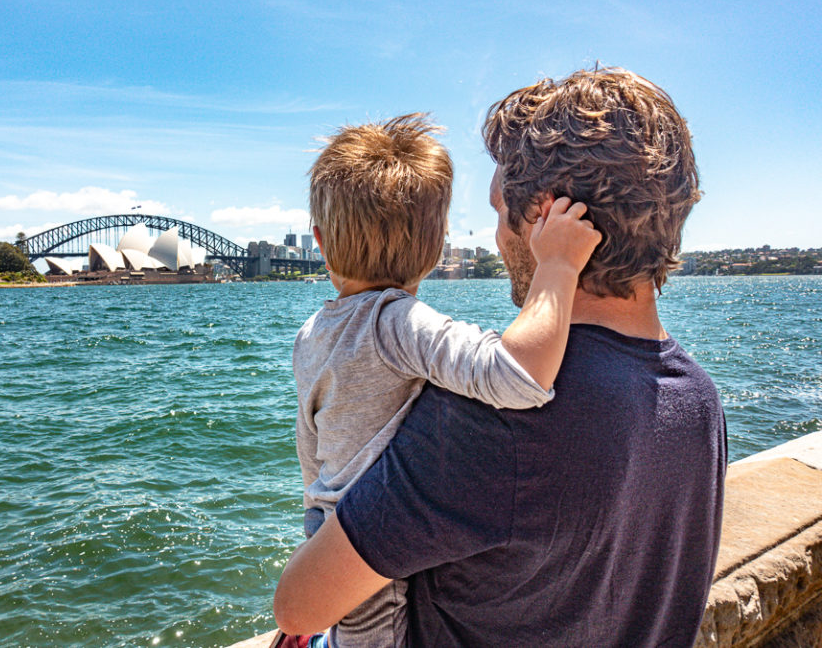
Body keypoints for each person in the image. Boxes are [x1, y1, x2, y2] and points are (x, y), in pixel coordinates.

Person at [275, 68, 727, 647]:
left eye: (496, 212)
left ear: (543, 216)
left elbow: (298, 605)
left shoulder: (490, 421)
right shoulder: (699, 401)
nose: (493, 237)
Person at [292, 114, 600, 647]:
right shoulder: (396, 323)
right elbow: (519, 375)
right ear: (436, 249)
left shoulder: (312, 333)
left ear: (319, 241)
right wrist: (558, 267)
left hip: (328, 535)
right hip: (371, 553)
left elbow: (309, 450)